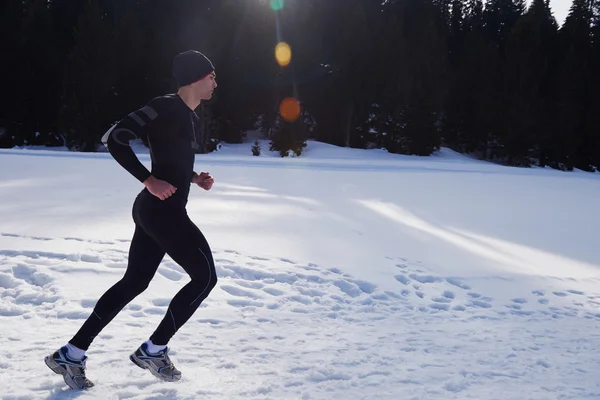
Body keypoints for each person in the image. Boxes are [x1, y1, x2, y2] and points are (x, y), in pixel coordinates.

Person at [44, 50, 219, 390]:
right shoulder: (165, 105)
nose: (216, 82)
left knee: (135, 282)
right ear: (195, 78)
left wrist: (193, 178)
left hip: (158, 211)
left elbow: (170, 159)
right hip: (160, 211)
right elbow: (115, 137)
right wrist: (148, 180)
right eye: (211, 76)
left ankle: (72, 353)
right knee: (205, 277)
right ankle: (154, 350)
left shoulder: (187, 116)